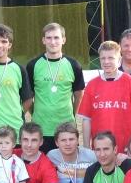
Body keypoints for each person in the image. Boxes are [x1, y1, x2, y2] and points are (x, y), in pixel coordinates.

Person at [26, 22, 86, 153]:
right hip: (40, 127)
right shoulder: (33, 65)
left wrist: (71, 114)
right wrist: (35, 112)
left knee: (66, 169)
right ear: (43, 40)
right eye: (49, 38)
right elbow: (28, 97)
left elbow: (79, 94)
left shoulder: (73, 65)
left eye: (56, 37)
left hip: (66, 128)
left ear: (63, 40)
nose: (53, 42)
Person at [77, 40, 131, 152]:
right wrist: (86, 148)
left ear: (119, 60)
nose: (106, 62)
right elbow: (86, 120)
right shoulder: (92, 85)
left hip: (124, 148)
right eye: (103, 58)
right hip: (99, 149)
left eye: (111, 58)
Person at [0, 24, 33, 160]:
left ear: (9, 45)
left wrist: (16, 112)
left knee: (15, 174)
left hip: (14, 131)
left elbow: (28, 99)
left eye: (4, 41)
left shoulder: (18, 69)